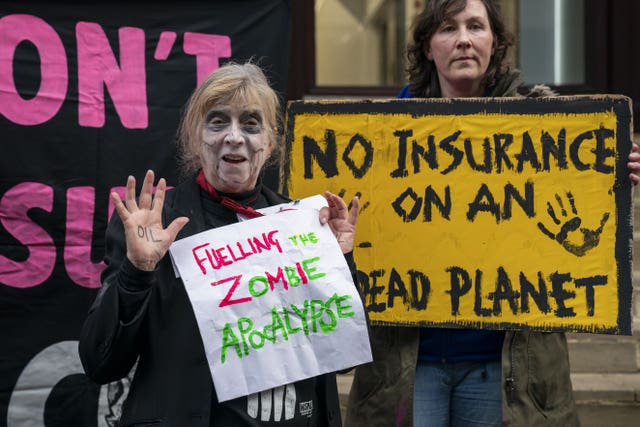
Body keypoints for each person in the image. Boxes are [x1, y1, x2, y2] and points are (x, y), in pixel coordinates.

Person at [345, 1, 640, 426]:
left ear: (495, 42)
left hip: (504, 368)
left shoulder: (546, 128)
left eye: (475, 26)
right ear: (428, 47)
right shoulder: (382, 134)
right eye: (448, 28)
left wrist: (609, 175)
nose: (463, 39)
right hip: (409, 364)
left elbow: (579, 212)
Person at [79, 62, 360, 426]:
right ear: (196, 139)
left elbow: (345, 354)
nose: (234, 136)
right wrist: (137, 272)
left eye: (250, 124)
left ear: (270, 141)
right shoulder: (155, 224)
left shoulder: (303, 226)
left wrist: (338, 265)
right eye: (217, 122)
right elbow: (100, 362)